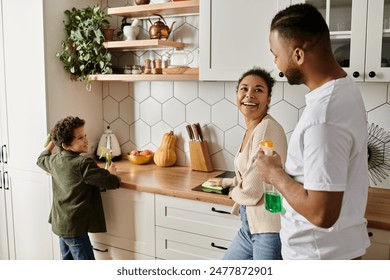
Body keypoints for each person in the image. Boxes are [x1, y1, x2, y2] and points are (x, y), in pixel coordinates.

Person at [256, 3, 370, 260]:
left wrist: (274, 174)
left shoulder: (324, 117)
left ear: (297, 55)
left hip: (318, 257)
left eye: (276, 54)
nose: (275, 62)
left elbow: (322, 214)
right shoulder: (345, 88)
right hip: (336, 250)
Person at [208, 67, 288, 260]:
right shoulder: (255, 127)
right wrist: (228, 183)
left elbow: (253, 189)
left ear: (268, 98)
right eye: (244, 89)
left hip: (269, 230)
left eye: (258, 90)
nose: (249, 95)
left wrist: (232, 192)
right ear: (237, 94)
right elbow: (249, 172)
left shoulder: (266, 129)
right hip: (250, 227)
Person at [37, 116, 121, 260]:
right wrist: (112, 173)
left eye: (85, 135)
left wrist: (52, 142)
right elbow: (111, 182)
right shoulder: (83, 163)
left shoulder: (54, 160)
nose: (86, 140)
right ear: (66, 145)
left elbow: (41, 158)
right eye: (80, 138)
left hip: (61, 225)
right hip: (75, 228)